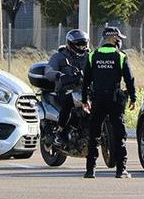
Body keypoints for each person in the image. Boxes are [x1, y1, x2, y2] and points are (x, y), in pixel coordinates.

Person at [82, 26, 136, 179]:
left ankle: (90, 170)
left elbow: (86, 81)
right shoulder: (120, 56)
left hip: (97, 100)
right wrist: (133, 98)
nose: (119, 41)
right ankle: (121, 170)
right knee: (119, 135)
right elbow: (129, 79)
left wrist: (85, 100)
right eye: (118, 38)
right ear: (113, 38)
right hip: (114, 100)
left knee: (94, 135)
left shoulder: (92, 56)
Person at [44, 29, 89, 146]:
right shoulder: (59, 57)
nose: (81, 47)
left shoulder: (89, 56)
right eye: (78, 44)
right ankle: (61, 132)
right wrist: (58, 75)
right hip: (66, 90)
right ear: (70, 44)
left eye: (84, 44)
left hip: (86, 89)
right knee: (70, 100)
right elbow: (48, 71)